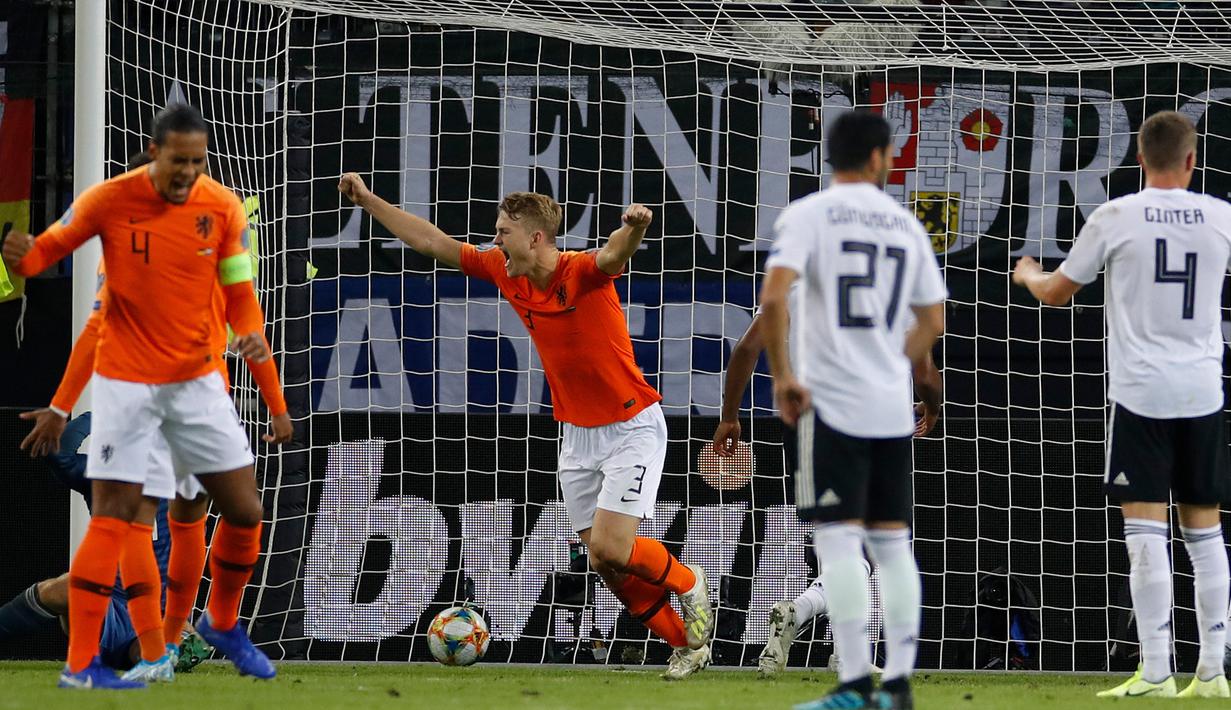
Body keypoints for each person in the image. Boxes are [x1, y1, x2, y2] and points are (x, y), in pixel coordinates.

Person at [337, 175, 715, 679]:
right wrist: (367, 200)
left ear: (535, 237)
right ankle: (686, 645)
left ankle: (689, 583)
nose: (495, 241)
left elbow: (611, 256)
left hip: (631, 426)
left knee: (610, 546)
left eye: (503, 232)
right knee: (604, 564)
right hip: (577, 435)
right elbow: (432, 241)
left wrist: (635, 228)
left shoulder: (579, 272)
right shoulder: (504, 270)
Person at [3, 104, 291, 689]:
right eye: (177, 165)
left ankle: (182, 632)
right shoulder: (119, 230)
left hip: (197, 394)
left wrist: (274, 399)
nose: (188, 178)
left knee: (213, 513)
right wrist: (61, 406)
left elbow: (243, 309)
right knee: (132, 523)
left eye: (197, 164)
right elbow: (86, 317)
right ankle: (124, 651)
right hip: (129, 395)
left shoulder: (217, 225)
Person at [1013, 110, 1231, 699]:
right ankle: (1213, 672)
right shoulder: (1221, 218)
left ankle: (1157, 672)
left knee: (1145, 533)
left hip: (1140, 396)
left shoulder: (1114, 215)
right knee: (1205, 535)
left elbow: (1058, 294)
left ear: (1138, 158)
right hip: (1203, 394)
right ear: (1191, 160)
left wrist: (1029, 273)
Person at [761, 109, 946, 710]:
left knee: (838, 541)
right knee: (893, 546)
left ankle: (853, 684)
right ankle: (897, 685)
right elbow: (933, 322)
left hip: (831, 405)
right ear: (876, 157)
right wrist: (894, 364)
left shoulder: (807, 215)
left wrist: (785, 375)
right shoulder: (905, 224)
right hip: (888, 408)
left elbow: (773, 295)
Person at [712, 286, 941, 678]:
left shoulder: (795, 288)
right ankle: (799, 611)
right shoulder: (891, 287)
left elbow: (748, 349)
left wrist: (729, 415)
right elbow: (920, 362)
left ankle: (845, 653)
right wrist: (932, 405)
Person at [0, 413, 211, 674]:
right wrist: (99, 413)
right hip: (110, 598)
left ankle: (172, 647)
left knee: (146, 651)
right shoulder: (100, 474)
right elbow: (60, 454)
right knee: (65, 587)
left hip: (156, 603)